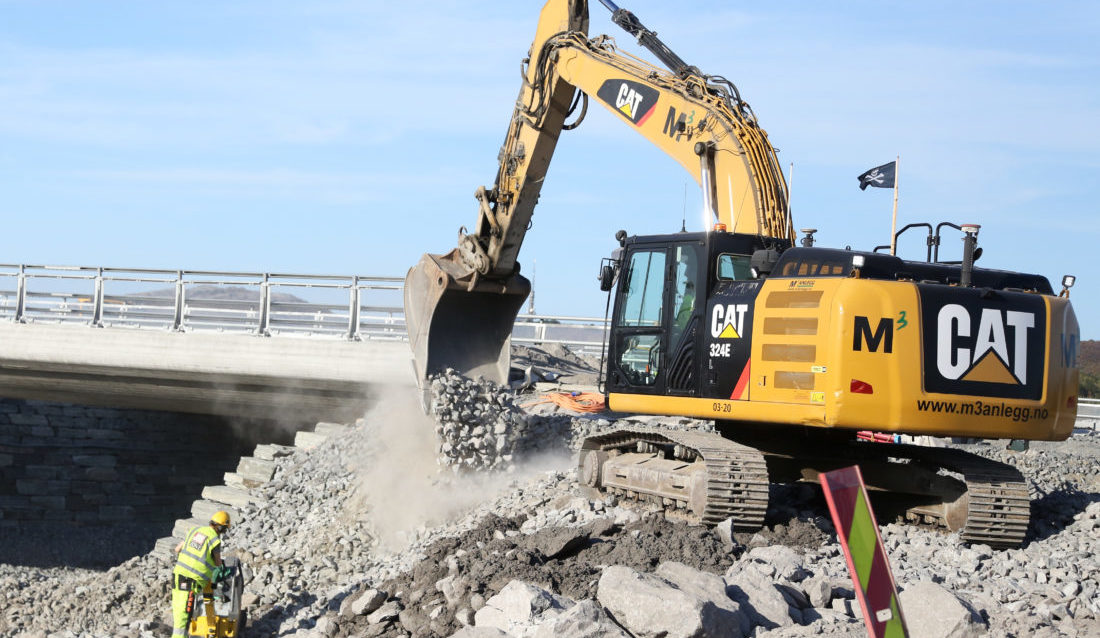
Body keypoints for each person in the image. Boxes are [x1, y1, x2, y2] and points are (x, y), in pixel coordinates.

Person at [171, 511, 231, 638]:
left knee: (178, 611)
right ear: (221, 527)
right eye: (224, 530)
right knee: (184, 617)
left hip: (178, 575)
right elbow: (218, 562)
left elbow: (177, 549)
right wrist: (220, 569)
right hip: (191, 581)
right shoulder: (214, 539)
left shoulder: (194, 530)